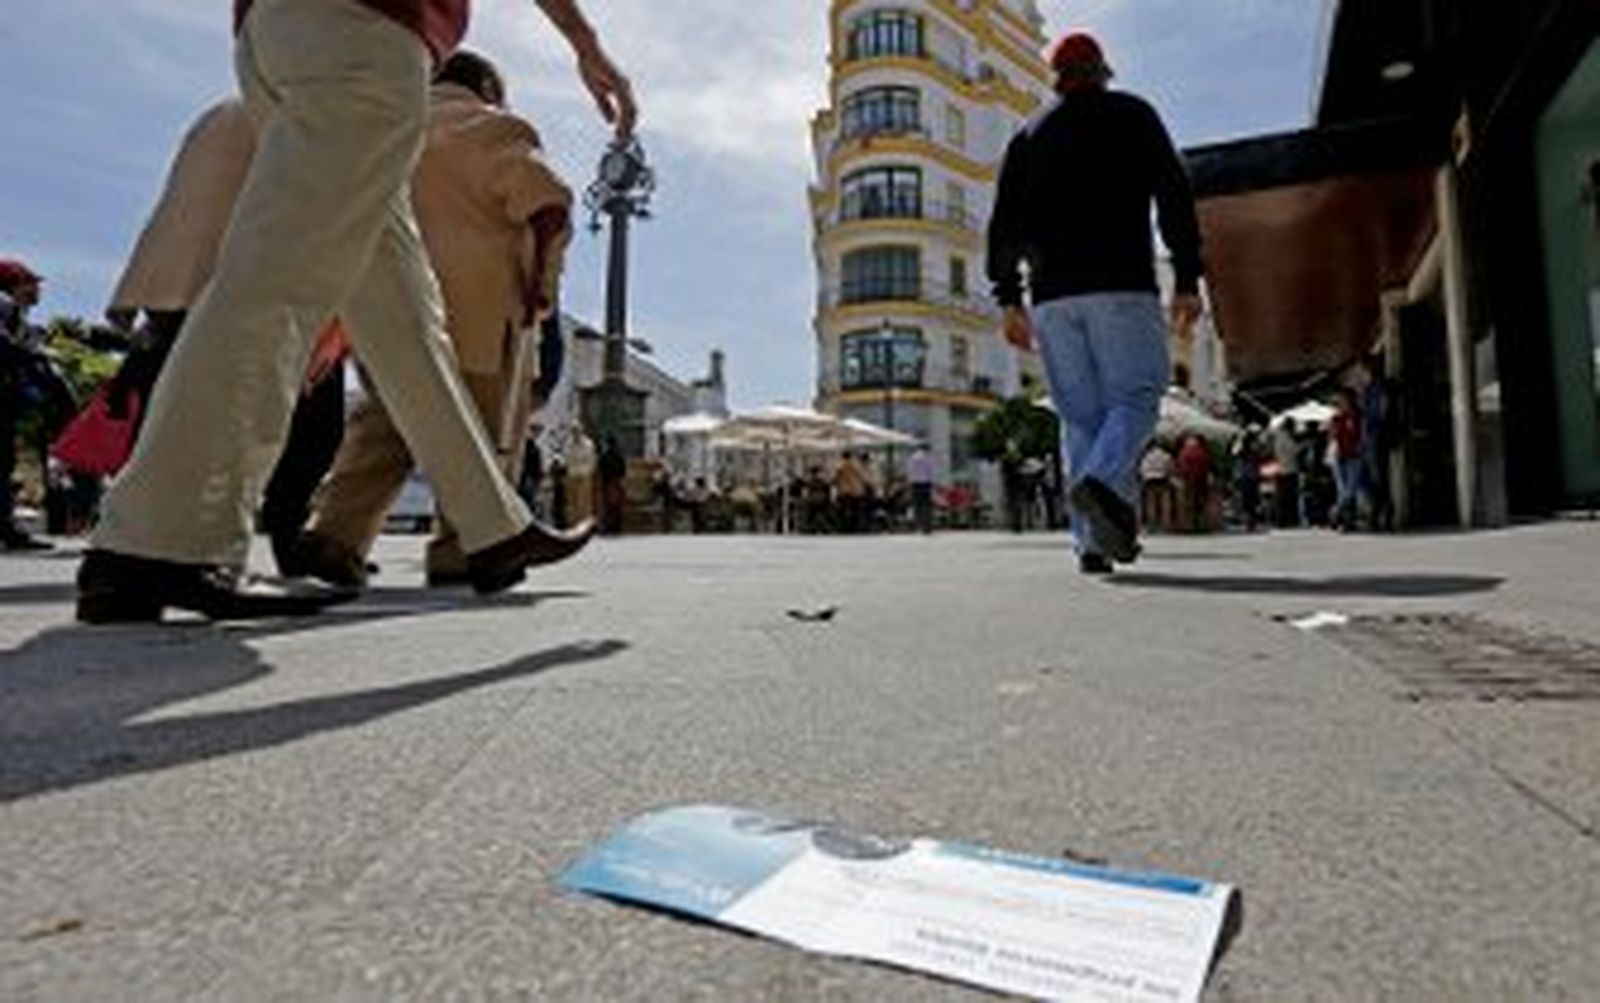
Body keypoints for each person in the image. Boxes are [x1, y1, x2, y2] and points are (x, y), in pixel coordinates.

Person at [77, 0, 636, 624]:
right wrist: (584, 42)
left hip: (275, 33)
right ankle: (158, 539)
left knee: (404, 318)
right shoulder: (492, 128)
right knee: (276, 285)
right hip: (369, 29)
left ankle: (491, 526)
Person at [289, 50, 577, 586]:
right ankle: (465, 546)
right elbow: (548, 204)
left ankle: (335, 536)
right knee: (487, 428)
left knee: (388, 425)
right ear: (488, 86)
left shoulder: (393, 126)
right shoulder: (495, 126)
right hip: (480, 306)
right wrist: (543, 289)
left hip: (389, 301)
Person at [988, 32, 1204, 575]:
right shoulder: (1133, 115)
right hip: (1121, 285)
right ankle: (1101, 483)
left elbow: (1004, 225)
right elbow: (1173, 195)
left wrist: (1009, 299)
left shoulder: (1029, 135)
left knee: (1080, 418)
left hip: (1053, 300)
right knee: (1138, 395)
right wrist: (1186, 275)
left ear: (1056, 79)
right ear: (1102, 71)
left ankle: (1092, 544)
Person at [0, 260, 56, 551]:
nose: (37, 289)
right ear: (14, 284)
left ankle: (6, 528)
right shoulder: (3, 303)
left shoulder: (14, 312)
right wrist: (32, 355)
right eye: (30, 282)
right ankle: (7, 531)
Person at [1358, 355, 1395, 531]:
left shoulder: (1379, 386)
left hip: (1375, 438)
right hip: (1369, 439)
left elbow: (1383, 410)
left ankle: (1382, 514)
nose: (1362, 373)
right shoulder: (1369, 387)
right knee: (1370, 479)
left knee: (1378, 479)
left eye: (1364, 369)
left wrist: (1375, 427)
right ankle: (1378, 513)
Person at [1330, 388, 1364, 531]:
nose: (1342, 403)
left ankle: (1335, 514)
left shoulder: (1358, 416)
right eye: (1341, 401)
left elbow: (1362, 434)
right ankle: (1348, 522)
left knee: (1350, 491)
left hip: (1355, 456)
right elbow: (1333, 438)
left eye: (1344, 400)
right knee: (1343, 491)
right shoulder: (1336, 418)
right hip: (1339, 457)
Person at [1175, 434, 1211, 533]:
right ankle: (1202, 524)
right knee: (1201, 504)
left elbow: (1181, 467)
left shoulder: (1183, 453)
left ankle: (1188, 525)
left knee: (1187, 504)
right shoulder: (1202, 452)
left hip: (1188, 481)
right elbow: (1206, 466)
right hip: (1201, 481)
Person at [1271, 417, 1301, 528]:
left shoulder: (1278, 437)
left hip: (1280, 469)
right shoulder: (1285, 437)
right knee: (1287, 497)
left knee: (1282, 497)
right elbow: (1292, 451)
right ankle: (1286, 520)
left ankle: (1282, 520)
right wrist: (1301, 446)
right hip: (1288, 470)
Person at [1139, 442, 1175, 533]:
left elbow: (1143, 469)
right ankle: (1165, 526)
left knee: (1151, 504)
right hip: (1163, 480)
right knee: (1165, 504)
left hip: (1150, 481)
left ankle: (1152, 525)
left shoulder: (1147, 456)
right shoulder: (1166, 456)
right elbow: (1170, 468)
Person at [597, 435, 627, 535]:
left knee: (609, 506)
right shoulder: (619, 454)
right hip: (617, 481)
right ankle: (617, 527)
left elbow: (601, 467)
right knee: (617, 506)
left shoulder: (605, 455)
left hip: (608, 482)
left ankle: (609, 526)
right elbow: (623, 468)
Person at [907, 445, 936, 534]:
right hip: (926, 483)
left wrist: (910, 481)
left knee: (917, 505)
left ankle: (917, 525)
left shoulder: (913, 458)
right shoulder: (928, 458)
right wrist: (932, 482)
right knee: (926, 505)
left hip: (915, 484)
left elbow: (910, 471)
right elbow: (930, 471)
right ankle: (926, 526)